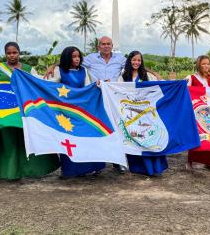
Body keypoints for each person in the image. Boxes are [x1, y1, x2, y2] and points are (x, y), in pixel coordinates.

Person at [44, 36, 162, 173]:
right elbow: (70, 59)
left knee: (117, 128)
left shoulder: (120, 59)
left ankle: (118, 161)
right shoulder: (90, 59)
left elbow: (136, 63)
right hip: (95, 98)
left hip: (114, 98)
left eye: (108, 44)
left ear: (112, 45)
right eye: (103, 44)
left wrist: (154, 73)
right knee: (98, 128)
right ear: (98, 46)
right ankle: (96, 160)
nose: (106, 46)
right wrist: (54, 65)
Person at [0, 42, 60, 184]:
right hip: (0, 112)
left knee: (22, 139)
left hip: (21, 110)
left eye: (14, 53)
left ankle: (27, 170)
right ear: (5, 54)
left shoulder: (28, 69)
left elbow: (41, 82)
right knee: (0, 139)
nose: (12, 55)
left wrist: (55, 68)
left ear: (19, 53)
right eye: (9, 53)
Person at [48, 46, 106, 178]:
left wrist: (96, 85)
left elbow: (87, 87)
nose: (77, 59)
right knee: (68, 140)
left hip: (82, 111)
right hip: (65, 112)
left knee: (85, 138)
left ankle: (91, 167)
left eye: (78, 56)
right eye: (74, 56)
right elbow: (49, 86)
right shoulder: (59, 70)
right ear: (68, 57)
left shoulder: (83, 71)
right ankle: (70, 170)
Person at [118, 51, 168, 176]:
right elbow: (116, 89)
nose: (136, 62)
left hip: (145, 114)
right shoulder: (123, 76)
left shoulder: (146, 76)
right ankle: (139, 167)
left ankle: (154, 168)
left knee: (148, 138)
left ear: (142, 62)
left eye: (139, 60)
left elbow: (159, 84)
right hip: (130, 114)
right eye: (134, 60)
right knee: (134, 138)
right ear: (129, 61)